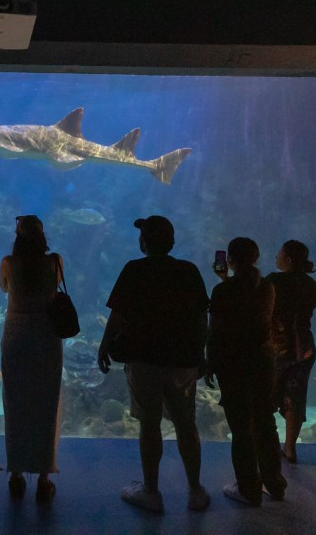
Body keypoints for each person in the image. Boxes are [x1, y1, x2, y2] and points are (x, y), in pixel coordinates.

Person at [97, 215, 211, 513]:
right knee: (186, 424)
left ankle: (151, 491)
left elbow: (118, 315)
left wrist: (104, 344)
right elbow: (202, 317)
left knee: (149, 424)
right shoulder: (189, 271)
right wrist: (202, 354)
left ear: (143, 242)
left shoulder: (134, 269)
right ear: (172, 242)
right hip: (183, 361)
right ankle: (195, 490)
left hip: (143, 360)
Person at [207, 237, 286, 506]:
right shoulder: (267, 287)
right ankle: (275, 484)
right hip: (264, 362)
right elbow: (249, 308)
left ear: (229, 260)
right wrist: (226, 280)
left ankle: (249, 489)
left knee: (241, 429)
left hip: (233, 363)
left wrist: (210, 362)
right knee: (265, 422)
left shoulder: (224, 291)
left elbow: (216, 330)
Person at [0, 214, 63, 502]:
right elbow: (53, 288)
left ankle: (15, 474)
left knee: (16, 402)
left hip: (16, 333)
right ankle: (44, 476)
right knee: (46, 402)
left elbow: (4, 288)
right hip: (47, 334)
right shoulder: (56, 262)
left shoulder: (9, 263)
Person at [266, 240, 316, 463]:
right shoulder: (311, 283)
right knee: (295, 398)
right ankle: (290, 449)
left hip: (277, 347)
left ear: (287, 259)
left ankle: (267, 445)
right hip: (304, 348)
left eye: (279, 252)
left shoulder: (274, 280)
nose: (276, 256)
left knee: (266, 397)